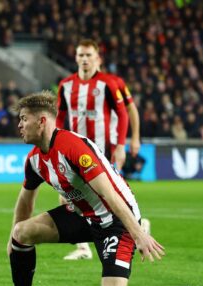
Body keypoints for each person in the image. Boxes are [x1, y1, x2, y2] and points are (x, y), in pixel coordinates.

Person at [0, 91, 203, 286]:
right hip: (84, 215)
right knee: (22, 232)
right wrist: (13, 242)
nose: (19, 125)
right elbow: (26, 199)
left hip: (116, 221)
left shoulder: (73, 147)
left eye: (24, 119)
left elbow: (109, 193)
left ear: (42, 121)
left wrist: (138, 233)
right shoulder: (35, 159)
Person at [56, 39, 147, 260]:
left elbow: (127, 112)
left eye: (89, 55)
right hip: (74, 150)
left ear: (98, 58)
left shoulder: (110, 83)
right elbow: (59, 117)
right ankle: (83, 247)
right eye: (81, 55)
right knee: (66, 195)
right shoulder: (65, 85)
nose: (85, 60)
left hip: (103, 150)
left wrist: (126, 143)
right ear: (75, 58)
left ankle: (137, 226)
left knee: (109, 196)